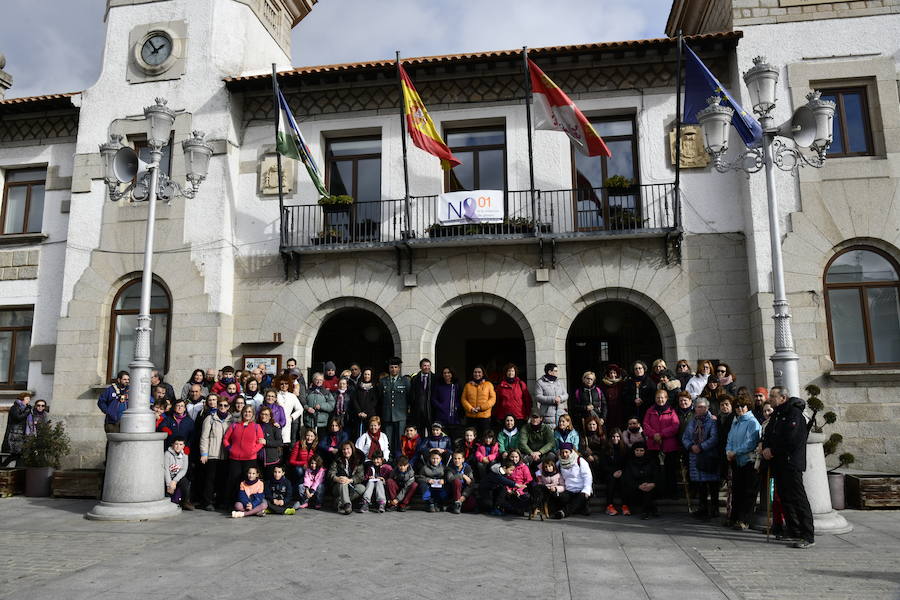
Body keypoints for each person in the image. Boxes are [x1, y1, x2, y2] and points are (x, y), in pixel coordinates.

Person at [761, 386, 815, 549]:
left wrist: (773, 450)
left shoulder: (794, 414)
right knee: (784, 498)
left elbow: (792, 440)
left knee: (798, 498)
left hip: (791, 462)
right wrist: (765, 447)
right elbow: (769, 433)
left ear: (783, 398)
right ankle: (794, 529)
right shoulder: (776, 414)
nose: (770, 398)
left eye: (773, 396)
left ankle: (807, 535)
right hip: (778, 462)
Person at [726, 396, 761, 530]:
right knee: (737, 491)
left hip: (749, 461)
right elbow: (729, 438)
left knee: (748, 492)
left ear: (748, 407)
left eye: (742, 406)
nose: (740, 409)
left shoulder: (752, 422)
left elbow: (751, 442)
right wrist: (728, 451)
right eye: (737, 406)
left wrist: (736, 452)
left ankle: (744, 520)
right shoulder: (735, 422)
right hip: (737, 461)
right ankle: (733, 518)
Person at [682, 398, 720, 520]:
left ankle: (714, 508)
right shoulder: (692, 422)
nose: (700, 409)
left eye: (703, 407)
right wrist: (691, 446)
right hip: (695, 456)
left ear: (707, 408)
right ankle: (702, 508)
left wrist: (701, 447)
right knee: (700, 484)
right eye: (698, 406)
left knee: (712, 484)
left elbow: (714, 438)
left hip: (709, 456)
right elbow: (685, 437)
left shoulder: (712, 421)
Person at [223, 405, 264, 508]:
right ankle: (231, 503)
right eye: (246, 412)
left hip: (250, 459)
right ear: (242, 413)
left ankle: (249, 503)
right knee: (233, 481)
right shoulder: (235, 425)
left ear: (253, 414)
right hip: (235, 458)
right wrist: (230, 449)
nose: (247, 414)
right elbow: (225, 439)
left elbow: (261, 442)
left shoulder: (256, 426)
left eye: (250, 412)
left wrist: (252, 451)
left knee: (248, 481)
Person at [642, 389, 680, 499]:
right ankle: (657, 492)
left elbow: (675, 426)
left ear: (666, 398)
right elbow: (645, 425)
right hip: (653, 445)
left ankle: (672, 492)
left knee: (670, 470)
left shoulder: (671, 411)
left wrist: (661, 434)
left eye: (662, 397)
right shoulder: (650, 410)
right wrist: (654, 435)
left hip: (669, 446)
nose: (660, 399)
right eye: (658, 397)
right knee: (655, 470)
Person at [199, 395, 233, 511]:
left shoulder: (231, 420)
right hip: (212, 453)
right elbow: (204, 437)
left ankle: (220, 501)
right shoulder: (210, 418)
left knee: (222, 479)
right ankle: (207, 501)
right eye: (220, 405)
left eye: (225, 405)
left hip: (226, 455)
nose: (223, 407)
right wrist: (204, 453)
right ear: (217, 406)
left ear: (228, 407)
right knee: (210, 479)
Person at [550, 443, 592, 519]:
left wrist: (586, 490)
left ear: (571, 452)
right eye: (562, 452)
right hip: (569, 490)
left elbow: (587, 476)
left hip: (582, 490)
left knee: (580, 498)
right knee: (561, 497)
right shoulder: (559, 463)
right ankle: (581, 507)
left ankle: (563, 513)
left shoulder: (580, 461)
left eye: (566, 452)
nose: (564, 454)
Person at [378, 357, 410, 453]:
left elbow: (409, 397)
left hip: (400, 415)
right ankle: (389, 458)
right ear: (389, 368)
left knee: (400, 439)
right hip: (387, 415)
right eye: (392, 367)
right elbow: (380, 398)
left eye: (396, 367)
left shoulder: (405, 381)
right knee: (387, 439)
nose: (394, 369)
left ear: (399, 368)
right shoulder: (383, 381)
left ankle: (399, 457)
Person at [623, 441, 659, 519]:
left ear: (645, 451)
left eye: (641, 450)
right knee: (644, 490)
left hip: (651, 486)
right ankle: (650, 509)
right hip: (635, 488)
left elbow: (656, 474)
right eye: (637, 450)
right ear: (634, 451)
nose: (639, 452)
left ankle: (646, 511)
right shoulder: (630, 463)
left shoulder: (651, 461)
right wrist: (638, 486)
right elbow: (627, 478)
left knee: (647, 490)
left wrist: (653, 484)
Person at [328, 441, 366, 515]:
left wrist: (350, 480)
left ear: (352, 449)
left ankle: (339, 502)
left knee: (362, 488)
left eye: (348, 449)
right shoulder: (337, 459)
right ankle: (347, 504)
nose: (346, 451)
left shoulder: (358, 460)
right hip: (338, 487)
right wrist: (337, 478)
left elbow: (360, 476)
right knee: (343, 481)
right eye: (344, 449)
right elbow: (330, 473)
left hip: (351, 485)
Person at [494, 363, 532, 430]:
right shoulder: (500, 386)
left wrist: (528, 413)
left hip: (519, 415)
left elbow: (527, 399)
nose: (510, 373)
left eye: (512, 371)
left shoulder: (521, 384)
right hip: (504, 416)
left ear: (515, 372)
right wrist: (496, 414)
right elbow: (497, 401)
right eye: (509, 371)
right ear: (505, 372)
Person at [461, 365, 496, 435]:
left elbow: (493, 399)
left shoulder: (489, 385)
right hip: (471, 416)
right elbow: (463, 399)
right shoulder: (468, 385)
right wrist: (471, 409)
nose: (477, 374)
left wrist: (481, 408)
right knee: (470, 437)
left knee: (485, 437)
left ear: (483, 374)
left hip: (485, 417)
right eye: (475, 372)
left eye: (479, 372)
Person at [601, 428, 628, 516]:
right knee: (611, 480)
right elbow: (603, 465)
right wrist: (613, 472)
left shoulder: (624, 448)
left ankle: (625, 506)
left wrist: (621, 471)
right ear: (610, 438)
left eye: (617, 436)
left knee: (624, 480)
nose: (615, 438)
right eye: (613, 436)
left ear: (620, 437)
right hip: (609, 472)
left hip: (621, 472)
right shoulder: (606, 448)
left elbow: (627, 463)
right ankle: (609, 506)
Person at [431, 367, 463, 441]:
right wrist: (441, 407)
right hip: (441, 415)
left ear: (452, 374)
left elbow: (460, 398)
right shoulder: (438, 385)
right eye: (444, 373)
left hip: (454, 417)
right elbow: (433, 399)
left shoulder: (456, 385)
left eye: (448, 372)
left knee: (454, 438)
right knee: (443, 438)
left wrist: (457, 407)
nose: (446, 374)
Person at [2, 392, 31, 466]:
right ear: (22, 399)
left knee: (19, 455)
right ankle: (3, 466)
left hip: (21, 435)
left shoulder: (26, 408)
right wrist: (27, 412)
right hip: (14, 435)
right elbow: (18, 417)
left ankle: (12, 469)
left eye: (29, 398)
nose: (29, 400)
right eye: (27, 398)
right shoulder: (15, 407)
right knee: (16, 454)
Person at [164, 436, 193, 510]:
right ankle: (168, 502)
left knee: (185, 483)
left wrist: (174, 481)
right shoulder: (167, 453)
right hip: (168, 477)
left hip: (177, 477)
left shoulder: (185, 454)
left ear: (183, 446)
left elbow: (184, 470)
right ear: (172, 444)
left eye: (180, 444)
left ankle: (184, 502)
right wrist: (169, 484)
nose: (178, 446)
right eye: (176, 444)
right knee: (168, 490)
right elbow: (166, 469)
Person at [303, 372, 335, 438]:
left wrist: (321, 406)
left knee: (320, 441)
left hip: (321, 423)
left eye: (320, 380)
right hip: (309, 421)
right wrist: (307, 408)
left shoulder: (326, 392)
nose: (318, 381)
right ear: (313, 380)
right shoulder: (308, 391)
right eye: (316, 379)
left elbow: (331, 405)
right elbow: (302, 403)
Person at [350, 367, 378, 438]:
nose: (367, 376)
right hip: (359, 415)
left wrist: (366, 412)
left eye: (368, 374)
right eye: (365, 374)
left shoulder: (375, 387)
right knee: (358, 435)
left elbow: (374, 402)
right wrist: (359, 411)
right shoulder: (358, 386)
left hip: (369, 415)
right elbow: (354, 399)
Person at [275, 376, 303, 445]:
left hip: (287, 422)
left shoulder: (292, 396)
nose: (284, 385)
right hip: (275, 422)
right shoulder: (275, 395)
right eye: (282, 384)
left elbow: (300, 409)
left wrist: (292, 417)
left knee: (285, 444)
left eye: (286, 383)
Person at [256, 406, 283, 480]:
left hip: (271, 460)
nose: (264, 416)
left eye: (266, 414)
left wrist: (266, 442)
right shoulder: (256, 426)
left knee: (269, 481)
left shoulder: (274, 427)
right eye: (262, 414)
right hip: (257, 459)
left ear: (270, 416)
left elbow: (280, 442)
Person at [409, 358, 435, 433]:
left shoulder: (435, 378)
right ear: (420, 367)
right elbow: (411, 395)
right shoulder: (414, 378)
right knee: (420, 434)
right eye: (424, 365)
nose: (427, 367)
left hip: (430, 411)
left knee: (432, 433)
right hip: (418, 412)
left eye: (428, 365)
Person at [599, 364, 626, 430]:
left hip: (619, 408)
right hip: (608, 409)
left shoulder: (621, 383)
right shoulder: (603, 384)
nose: (612, 375)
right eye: (611, 373)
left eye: (614, 373)